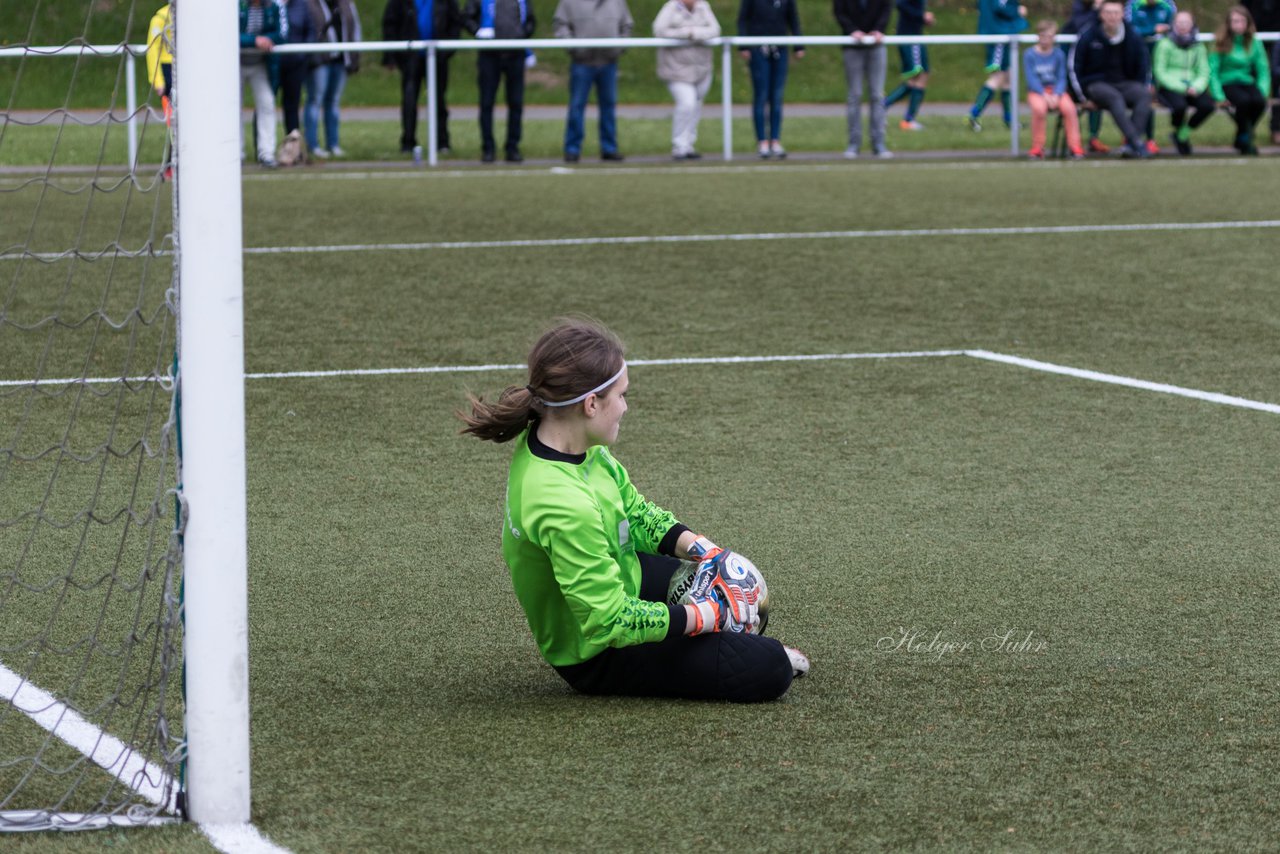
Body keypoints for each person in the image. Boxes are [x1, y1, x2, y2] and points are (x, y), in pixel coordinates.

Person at [457, 319, 809, 702]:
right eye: (622, 395)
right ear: (591, 404)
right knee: (771, 668)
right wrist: (706, 617)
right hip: (598, 650)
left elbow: (634, 512)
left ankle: (719, 639)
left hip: (624, 574)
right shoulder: (560, 502)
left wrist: (703, 549)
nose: (626, 406)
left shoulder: (572, 442)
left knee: (746, 592)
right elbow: (610, 620)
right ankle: (724, 643)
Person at [1070, 0, 1154, 158]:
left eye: (1116, 13)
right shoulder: (1088, 35)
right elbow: (1075, 67)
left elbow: (1144, 64)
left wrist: (1142, 84)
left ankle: (1130, 146)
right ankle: (1137, 143)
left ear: (1122, 14)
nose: (1112, 17)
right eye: (1108, 13)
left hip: (1124, 83)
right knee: (1114, 98)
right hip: (1096, 84)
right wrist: (1081, 96)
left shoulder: (1132, 36)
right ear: (1101, 15)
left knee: (1144, 94)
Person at [553, 0, 633, 162]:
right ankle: (572, 149)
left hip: (608, 62)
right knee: (577, 106)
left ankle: (609, 148)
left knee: (608, 106)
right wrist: (574, 47)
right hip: (582, 63)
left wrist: (618, 48)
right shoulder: (569, 2)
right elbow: (560, 24)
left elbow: (627, 25)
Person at [383, 0, 463, 156]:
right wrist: (391, 56)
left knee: (438, 100)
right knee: (409, 100)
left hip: (437, 56)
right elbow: (390, 23)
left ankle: (442, 142)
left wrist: (448, 50)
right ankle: (408, 142)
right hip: (410, 58)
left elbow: (455, 22)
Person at [463, 0, 536, 162]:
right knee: (487, 103)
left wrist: (521, 35)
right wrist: (478, 31)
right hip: (489, 55)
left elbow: (530, 21)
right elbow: (467, 17)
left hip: (515, 54)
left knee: (516, 103)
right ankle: (488, 148)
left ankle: (512, 147)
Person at [653, 0, 721, 160]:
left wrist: (695, 33)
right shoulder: (670, 8)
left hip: (702, 68)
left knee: (696, 106)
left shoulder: (703, 7)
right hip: (676, 69)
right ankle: (679, 146)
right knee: (687, 104)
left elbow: (715, 30)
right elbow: (659, 30)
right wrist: (686, 33)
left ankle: (688, 144)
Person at [738, 0, 804, 158]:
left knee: (777, 95)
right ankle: (762, 141)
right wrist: (743, 45)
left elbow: (793, 19)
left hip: (780, 48)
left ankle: (775, 140)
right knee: (761, 95)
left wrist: (798, 45)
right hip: (758, 49)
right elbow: (743, 19)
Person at [1210, 5, 1271, 155]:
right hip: (1227, 82)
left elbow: (1263, 68)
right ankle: (1245, 138)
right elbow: (1213, 71)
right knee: (1243, 102)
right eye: (1235, 21)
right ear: (1229, 24)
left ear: (1248, 23)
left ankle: (1242, 135)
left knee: (1258, 102)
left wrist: (1262, 90)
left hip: (1246, 81)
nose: (1239, 25)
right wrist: (1218, 96)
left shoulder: (1254, 42)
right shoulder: (1220, 42)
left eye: (1242, 21)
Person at [834, 0, 892, 159]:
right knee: (855, 95)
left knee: (877, 94)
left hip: (876, 45)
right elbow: (839, 11)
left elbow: (887, 7)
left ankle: (878, 142)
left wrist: (879, 30)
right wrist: (852, 31)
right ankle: (854, 143)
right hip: (852, 46)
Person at [1152, 10, 1214, 155]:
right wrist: (1182, 87)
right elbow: (1160, 71)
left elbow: (1204, 70)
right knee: (1180, 106)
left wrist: (1196, 86)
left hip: (1193, 85)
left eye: (1186, 22)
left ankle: (1181, 135)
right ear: (1173, 24)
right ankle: (1179, 132)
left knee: (1207, 106)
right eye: (1179, 22)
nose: (1182, 26)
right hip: (1170, 86)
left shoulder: (1198, 46)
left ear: (1192, 25)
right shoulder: (1164, 44)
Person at [305, 0, 361, 159]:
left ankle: (333, 144)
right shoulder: (310, 4)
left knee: (333, 102)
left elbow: (355, 29)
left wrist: (355, 57)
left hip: (341, 60)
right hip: (319, 60)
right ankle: (312, 145)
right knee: (315, 100)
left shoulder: (346, 3)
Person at [1024, 20, 1084, 158]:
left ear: (1054, 37)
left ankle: (1075, 146)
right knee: (1039, 110)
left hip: (1057, 92)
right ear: (1037, 36)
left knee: (1070, 109)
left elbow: (1062, 77)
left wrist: (1056, 94)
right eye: (1043, 35)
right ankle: (1037, 147)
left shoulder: (1058, 54)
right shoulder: (1030, 54)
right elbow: (1031, 78)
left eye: (1049, 36)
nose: (1046, 40)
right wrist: (1044, 95)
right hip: (1038, 92)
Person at [966, 0, 1027, 132]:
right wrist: (1017, 11)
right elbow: (999, 6)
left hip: (1000, 32)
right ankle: (974, 114)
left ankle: (1009, 119)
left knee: (1007, 78)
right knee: (997, 77)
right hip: (999, 33)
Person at [239, 0, 286, 168]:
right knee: (233, 108)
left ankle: (266, 153)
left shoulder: (273, 6)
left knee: (267, 103)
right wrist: (254, 40)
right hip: (235, 64)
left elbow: (282, 33)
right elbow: (227, 33)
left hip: (260, 64)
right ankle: (237, 153)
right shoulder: (237, 6)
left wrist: (266, 39)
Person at [1125, 0, 1176, 149]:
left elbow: (1175, 28)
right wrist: (1152, 30)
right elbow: (1130, 30)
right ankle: (1132, 137)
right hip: (1137, 57)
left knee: (1151, 95)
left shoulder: (1168, 5)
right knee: (1141, 94)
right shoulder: (1133, 5)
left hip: (1161, 58)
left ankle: (1150, 140)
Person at [1063, 0, 1112, 153]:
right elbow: (1082, 26)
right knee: (1077, 99)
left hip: (1092, 67)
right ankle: (1073, 141)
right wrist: (1096, 10)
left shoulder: (1108, 8)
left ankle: (1093, 138)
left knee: (1100, 92)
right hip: (1074, 68)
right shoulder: (1080, 6)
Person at [882, 0, 934, 131]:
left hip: (915, 35)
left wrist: (924, 19)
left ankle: (887, 108)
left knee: (919, 78)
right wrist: (921, 16)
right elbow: (901, 4)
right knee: (919, 75)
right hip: (909, 36)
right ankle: (907, 119)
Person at [278, 0, 317, 154]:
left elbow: (311, 30)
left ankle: (293, 149)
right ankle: (263, 150)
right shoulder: (271, 5)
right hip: (272, 64)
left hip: (295, 63)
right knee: (266, 104)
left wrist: (302, 54)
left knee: (292, 106)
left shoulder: (301, 4)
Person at [1242, 0, 1280, 143]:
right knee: (1249, 86)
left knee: (1277, 83)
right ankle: (1247, 129)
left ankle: (1276, 128)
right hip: (1252, 38)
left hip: (1278, 38)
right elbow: (1243, 9)